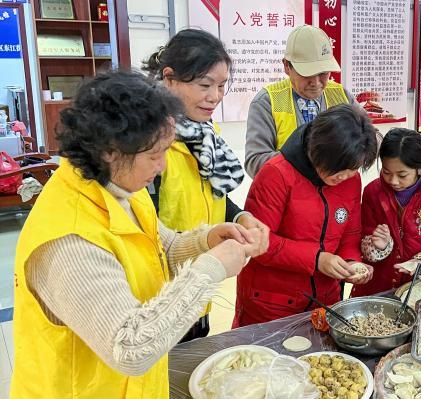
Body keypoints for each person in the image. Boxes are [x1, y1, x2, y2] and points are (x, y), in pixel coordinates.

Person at [10, 71, 265, 398]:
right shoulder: (68, 240)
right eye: (154, 155)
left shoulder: (118, 186)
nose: (161, 167)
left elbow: (161, 249)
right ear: (111, 151)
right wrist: (212, 267)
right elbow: (130, 348)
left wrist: (205, 240)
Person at [143, 29, 270, 340]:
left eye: (222, 86)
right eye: (204, 85)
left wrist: (240, 217)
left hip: (200, 287)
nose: (215, 96)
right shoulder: (149, 144)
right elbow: (145, 231)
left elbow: (212, 194)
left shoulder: (203, 134)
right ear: (169, 78)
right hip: (160, 298)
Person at [234, 104, 378, 327]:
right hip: (272, 303)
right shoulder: (276, 174)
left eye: (354, 169)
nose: (345, 177)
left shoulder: (350, 178)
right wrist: (317, 259)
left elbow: (350, 231)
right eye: (339, 169)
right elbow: (258, 242)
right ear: (317, 151)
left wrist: (351, 263)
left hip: (324, 300)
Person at [351, 128, 421, 297]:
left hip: (420, 289)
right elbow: (360, 236)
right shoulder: (372, 192)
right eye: (386, 172)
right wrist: (377, 246)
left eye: (402, 175)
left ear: (420, 168)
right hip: (377, 287)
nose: (393, 181)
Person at [244, 24, 355, 177]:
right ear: (287, 66)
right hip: (287, 197)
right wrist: (313, 159)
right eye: (307, 73)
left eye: (323, 73)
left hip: (335, 198)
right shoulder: (267, 102)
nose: (316, 82)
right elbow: (254, 162)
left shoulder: (341, 96)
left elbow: (371, 138)